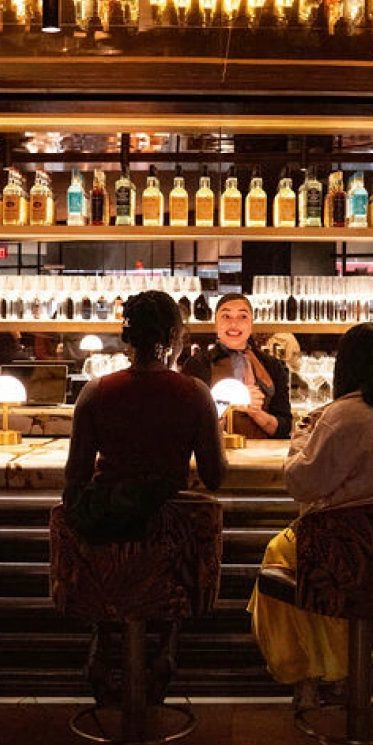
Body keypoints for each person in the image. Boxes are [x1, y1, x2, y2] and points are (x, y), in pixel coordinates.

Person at [248, 323, 373, 709]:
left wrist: (302, 436)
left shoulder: (342, 416)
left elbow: (301, 485)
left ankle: (312, 675)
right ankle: (346, 674)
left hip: (341, 556)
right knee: (312, 559)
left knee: (284, 559)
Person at [63, 290, 226, 704]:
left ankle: (106, 629)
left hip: (103, 541)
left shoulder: (96, 392)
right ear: (174, 336)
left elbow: (74, 481)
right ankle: (166, 637)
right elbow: (215, 476)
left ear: (125, 338)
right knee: (172, 530)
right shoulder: (195, 394)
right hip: (172, 550)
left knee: (109, 543)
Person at [181, 292, 293, 439]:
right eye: (226, 317)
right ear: (216, 322)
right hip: (215, 455)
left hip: (263, 457)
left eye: (243, 317)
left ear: (251, 323)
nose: (234, 324)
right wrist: (229, 403)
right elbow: (186, 422)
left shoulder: (272, 365)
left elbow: (284, 428)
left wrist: (257, 413)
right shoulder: (197, 364)